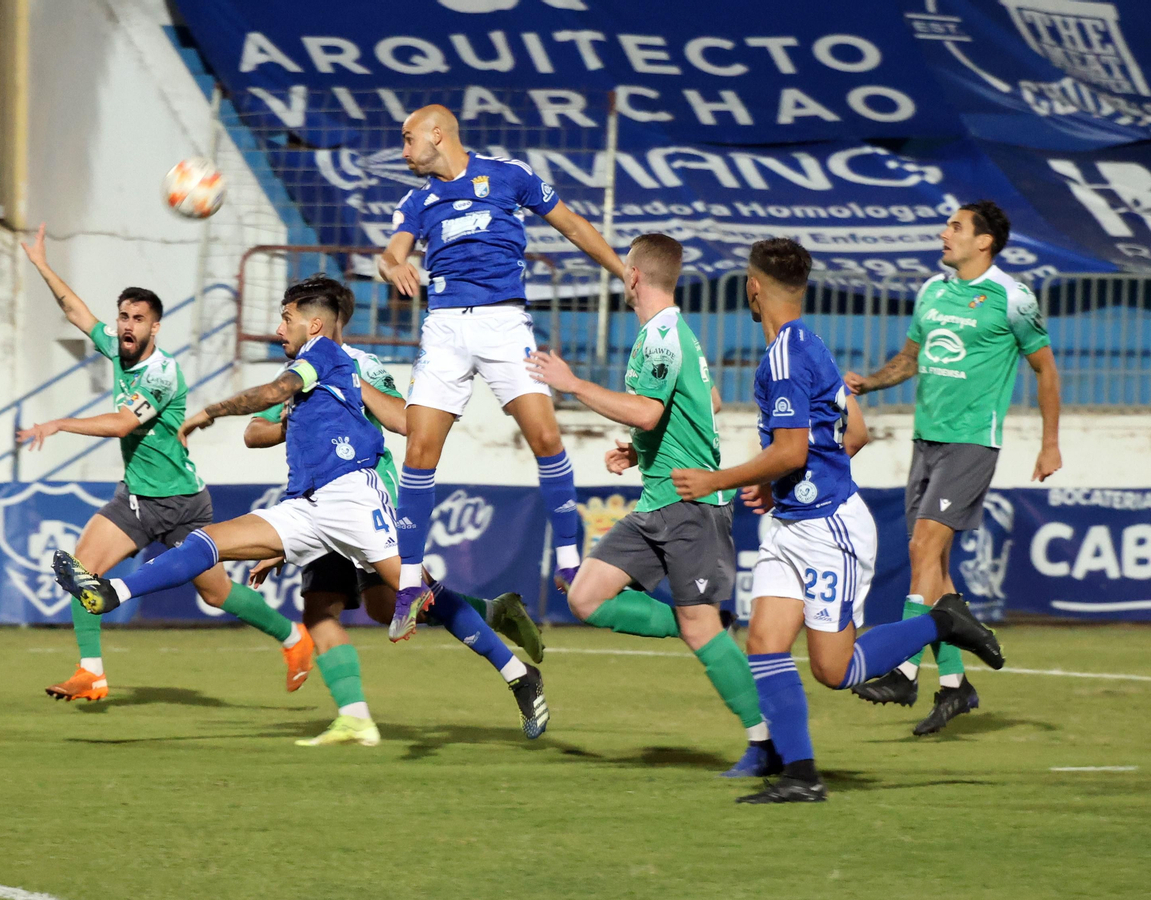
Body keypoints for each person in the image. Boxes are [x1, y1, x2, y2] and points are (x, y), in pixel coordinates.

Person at [52, 277, 549, 742]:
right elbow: (266, 425)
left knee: (415, 595)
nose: (276, 328)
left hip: (356, 497)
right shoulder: (309, 366)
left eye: (285, 317)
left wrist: (207, 413)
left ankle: (517, 672)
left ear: (313, 324)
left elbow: (282, 397)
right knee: (209, 543)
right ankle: (113, 592)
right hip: (308, 504)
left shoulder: (331, 357)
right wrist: (278, 542)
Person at [670, 239, 1005, 803]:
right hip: (792, 525)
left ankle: (943, 623)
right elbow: (854, 434)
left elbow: (794, 451)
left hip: (829, 531)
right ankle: (802, 776)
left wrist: (719, 480)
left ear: (754, 287)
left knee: (837, 669)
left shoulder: (782, 357)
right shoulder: (811, 344)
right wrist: (778, 483)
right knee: (765, 645)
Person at [243, 277, 546, 745]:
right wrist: (296, 414)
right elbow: (252, 434)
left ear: (324, 320)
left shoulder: (364, 365)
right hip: (316, 499)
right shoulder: (298, 371)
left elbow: (405, 420)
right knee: (324, 609)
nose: (281, 327)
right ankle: (355, 717)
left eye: (289, 316)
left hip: (367, 498)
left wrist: (347, 382)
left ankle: (512, 662)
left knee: (405, 600)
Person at [16, 225, 311, 702]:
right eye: (123, 316)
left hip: (181, 504)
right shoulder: (117, 345)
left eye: (138, 319)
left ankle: (295, 639)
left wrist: (58, 424)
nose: (127, 325)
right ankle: (91, 674)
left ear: (156, 327)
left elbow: (119, 424)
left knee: (215, 594)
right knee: (80, 571)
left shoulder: (162, 373)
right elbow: (76, 312)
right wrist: (42, 265)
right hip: (134, 498)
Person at [376, 104, 632, 637]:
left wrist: (624, 273)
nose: (403, 151)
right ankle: (407, 584)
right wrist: (395, 264)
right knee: (419, 449)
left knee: (544, 436)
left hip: (503, 324)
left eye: (407, 139)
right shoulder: (418, 200)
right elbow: (391, 252)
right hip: (444, 328)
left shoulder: (510, 175)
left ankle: (568, 559)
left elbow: (573, 225)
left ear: (436, 136)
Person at [525, 233, 773, 778]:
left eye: (624, 268)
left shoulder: (662, 336)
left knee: (699, 628)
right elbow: (701, 403)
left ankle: (765, 740)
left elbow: (647, 412)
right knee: (587, 596)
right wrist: (640, 454)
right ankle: (703, 621)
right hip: (659, 499)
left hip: (692, 505)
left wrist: (572, 385)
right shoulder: (668, 334)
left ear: (634, 275)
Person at [843, 201, 1060, 734]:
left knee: (921, 548)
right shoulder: (933, 292)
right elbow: (911, 358)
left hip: (971, 443)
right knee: (934, 568)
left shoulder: (1012, 298)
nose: (945, 233)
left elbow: (1046, 369)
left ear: (983, 242)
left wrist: (1049, 444)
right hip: (927, 442)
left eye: (956, 227)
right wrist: (868, 382)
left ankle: (903, 671)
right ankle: (957, 685)